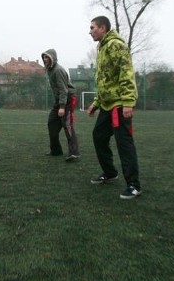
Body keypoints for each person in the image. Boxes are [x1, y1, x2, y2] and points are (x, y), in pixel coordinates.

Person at [86, 16, 142, 199]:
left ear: (103, 28)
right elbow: (105, 80)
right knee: (99, 136)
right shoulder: (101, 47)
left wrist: (127, 102)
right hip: (107, 105)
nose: (90, 31)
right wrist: (96, 103)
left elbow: (126, 73)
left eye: (93, 27)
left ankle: (134, 185)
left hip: (119, 104)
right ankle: (110, 172)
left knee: (123, 142)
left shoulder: (115, 45)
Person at [41, 49, 80, 161]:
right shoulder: (50, 70)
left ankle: (74, 153)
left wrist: (62, 107)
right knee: (51, 123)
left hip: (68, 99)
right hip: (59, 101)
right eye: (44, 57)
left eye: (47, 57)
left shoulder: (58, 70)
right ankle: (56, 151)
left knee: (67, 124)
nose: (45, 59)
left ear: (52, 58)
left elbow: (64, 90)